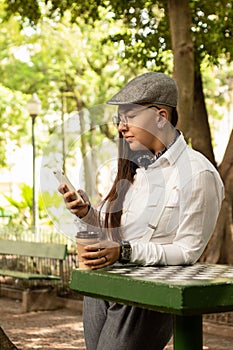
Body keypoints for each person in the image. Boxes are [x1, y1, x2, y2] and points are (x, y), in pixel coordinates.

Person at [58, 72, 224, 350]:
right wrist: (88, 213)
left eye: (130, 116)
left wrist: (124, 252)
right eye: (119, 119)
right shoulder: (134, 171)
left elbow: (188, 251)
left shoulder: (198, 173)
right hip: (104, 283)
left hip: (146, 297)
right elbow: (121, 231)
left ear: (161, 116)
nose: (122, 127)